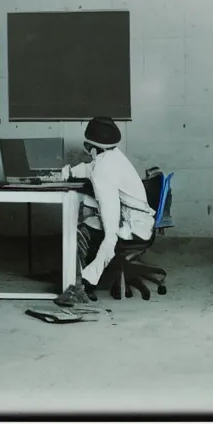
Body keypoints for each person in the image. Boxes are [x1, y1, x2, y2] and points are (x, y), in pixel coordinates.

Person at [54, 116, 156, 307]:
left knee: (83, 230)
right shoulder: (113, 155)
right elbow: (90, 167)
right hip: (139, 218)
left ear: (92, 149)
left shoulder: (104, 171)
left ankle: (83, 286)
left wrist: (87, 281)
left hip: (135, 228)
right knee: (90, 220)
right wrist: (67, 172)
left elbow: (111, 232)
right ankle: (84, 279)